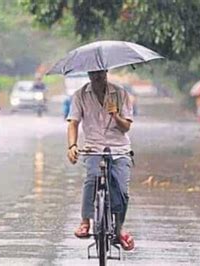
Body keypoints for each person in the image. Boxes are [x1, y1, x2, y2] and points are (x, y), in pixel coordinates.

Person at [67, 69, 135, 250]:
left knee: (122, 190)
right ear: (89, 74)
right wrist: (72, 146)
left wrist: (115, 115)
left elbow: (126, 127)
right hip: (93, 147)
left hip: (119, 148)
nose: (97, 77)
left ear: (106, 72)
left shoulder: (121, 94)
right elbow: (73, 122)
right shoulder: (80, 95)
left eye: (100, 73)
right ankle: (85, 221)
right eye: (93, 74)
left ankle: (119, 228)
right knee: (92, 178)